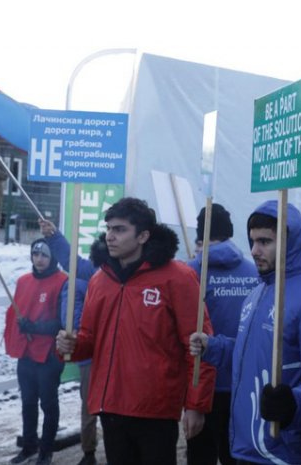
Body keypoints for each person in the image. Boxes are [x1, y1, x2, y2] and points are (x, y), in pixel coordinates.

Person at [56, 197, 216, 465]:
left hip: (155, 411)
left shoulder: (177, 277)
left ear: (142, 235)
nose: (110, 236)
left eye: (119, 230)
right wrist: (69, 345)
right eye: (108, 229)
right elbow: (90, 340)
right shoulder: (99, 280)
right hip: (110, 408)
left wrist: (196, 405)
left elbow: (200, 346)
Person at [189, 200, 301, 464]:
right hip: (248, 443)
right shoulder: (258, 292)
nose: (255, 250)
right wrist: (214, 347)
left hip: (283, 449)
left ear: (290, 242)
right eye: (253, 241)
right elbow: (252, 352)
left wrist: (293, 403)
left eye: (265, 242)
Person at [186, 203, 259, 465]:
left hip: (202, 381)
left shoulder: (190, 272)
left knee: (200, 455)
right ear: (229, 231)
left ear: (200, 232)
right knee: (236, 455)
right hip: (244, 379)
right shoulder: (254, 272)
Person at [40, 219, 108, 465]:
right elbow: (71, 260)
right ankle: (90, 452)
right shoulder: (90, 276)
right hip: (93, 354)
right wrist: (54, 236)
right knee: (93, 404)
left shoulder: (119, 275)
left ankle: (100, 451)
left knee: (103, 406)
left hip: (109, 354)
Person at [4, 239, 68, 465]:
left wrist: (36, 327)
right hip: (27, 352)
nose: (39, 259)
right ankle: (29, 444)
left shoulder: (63, 282)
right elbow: (15, 313)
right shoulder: (23, 281)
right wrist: (21, 330)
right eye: (35, 254)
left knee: (48, 403)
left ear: (53, 258)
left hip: (49, 354)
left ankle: (46, 451)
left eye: (44, 255)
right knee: (28, 401)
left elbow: (63, 322)